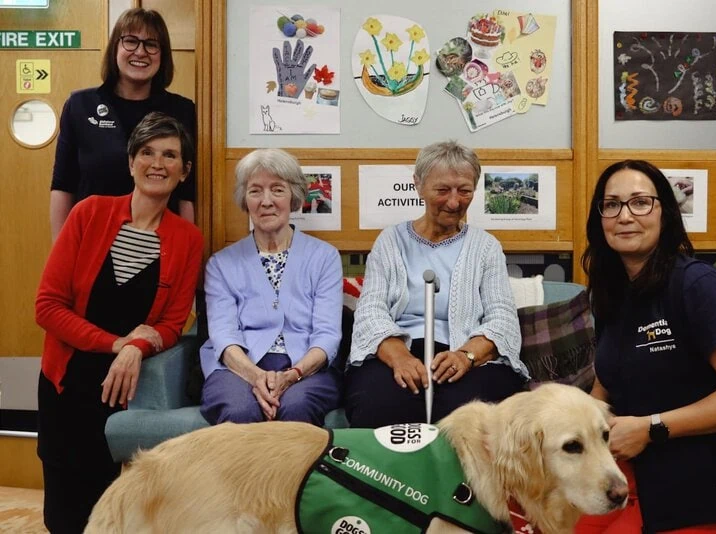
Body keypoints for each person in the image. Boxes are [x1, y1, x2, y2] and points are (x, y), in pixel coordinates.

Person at [576, 160, 716, 534]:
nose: (624, 215)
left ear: (664, 213)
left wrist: (652, 428)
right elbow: (606, 386)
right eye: (612, 204)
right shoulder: (611, 294)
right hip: (631, 476)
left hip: (702, 488)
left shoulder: (699, 285)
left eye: (640, 202)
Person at [35, 112, 203, 533]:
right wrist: (119, 344)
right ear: (131, 162)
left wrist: (137, 348)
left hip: (128, 390)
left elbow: (171, 324)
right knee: (65, 513)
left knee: (116, 513)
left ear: (184, 172)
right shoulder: (89, 213)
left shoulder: (188, 239)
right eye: (147, 152)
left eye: (170, 155)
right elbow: (48, 307)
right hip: (67, 382)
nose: (157, 163)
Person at [345, 140, 527, 428]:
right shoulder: (390, 242)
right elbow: (371, 312)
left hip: (466, 356)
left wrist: (465, 355)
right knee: (380, 405)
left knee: (474, 418)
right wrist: (401, 358)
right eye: (442, 190)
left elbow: (503, 318)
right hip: (399, 351)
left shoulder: (486, 246)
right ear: (418, 185)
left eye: (464, 191)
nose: (454, 202)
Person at [199, 149, 342, 426]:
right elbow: (223, 334)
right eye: (255, 191)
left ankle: (293, 473)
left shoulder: (324, 257)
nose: (266, 201)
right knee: (239, 409)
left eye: (277, 190)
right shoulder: (221, 264)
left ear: (294, 197)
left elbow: (327, 334)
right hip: (237, 366)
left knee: (297, 405)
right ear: (245, 200)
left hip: (306, 367)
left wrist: (294, 374)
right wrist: (255, 376)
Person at [50, 8, 196, 241]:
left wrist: (189, 252)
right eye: (131, 41)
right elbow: (62, 185)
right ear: (115, 48)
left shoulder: (182, 110)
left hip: (158, 244)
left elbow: (187, 193)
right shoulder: (80, 105)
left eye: (151, 44)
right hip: (92, 241)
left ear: (163, 54)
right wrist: (61, 251)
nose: (141, 52)